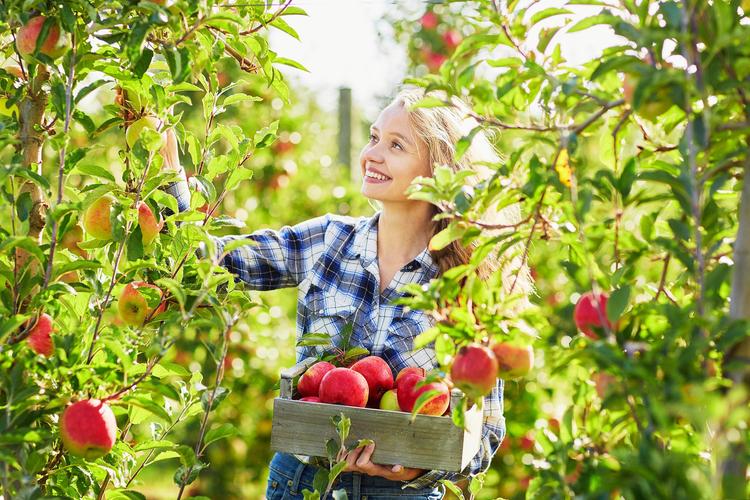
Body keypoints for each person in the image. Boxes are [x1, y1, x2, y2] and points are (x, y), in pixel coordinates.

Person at [162, 86, 521, 500]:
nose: (373, 154)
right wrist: (170, 185)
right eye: (373, 137)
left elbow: (486, 432)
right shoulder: (329, 241)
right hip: (300, 483)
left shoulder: (464, 284)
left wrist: (416, 468)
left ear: (439, 173)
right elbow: (215, 265)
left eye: (396, 145)